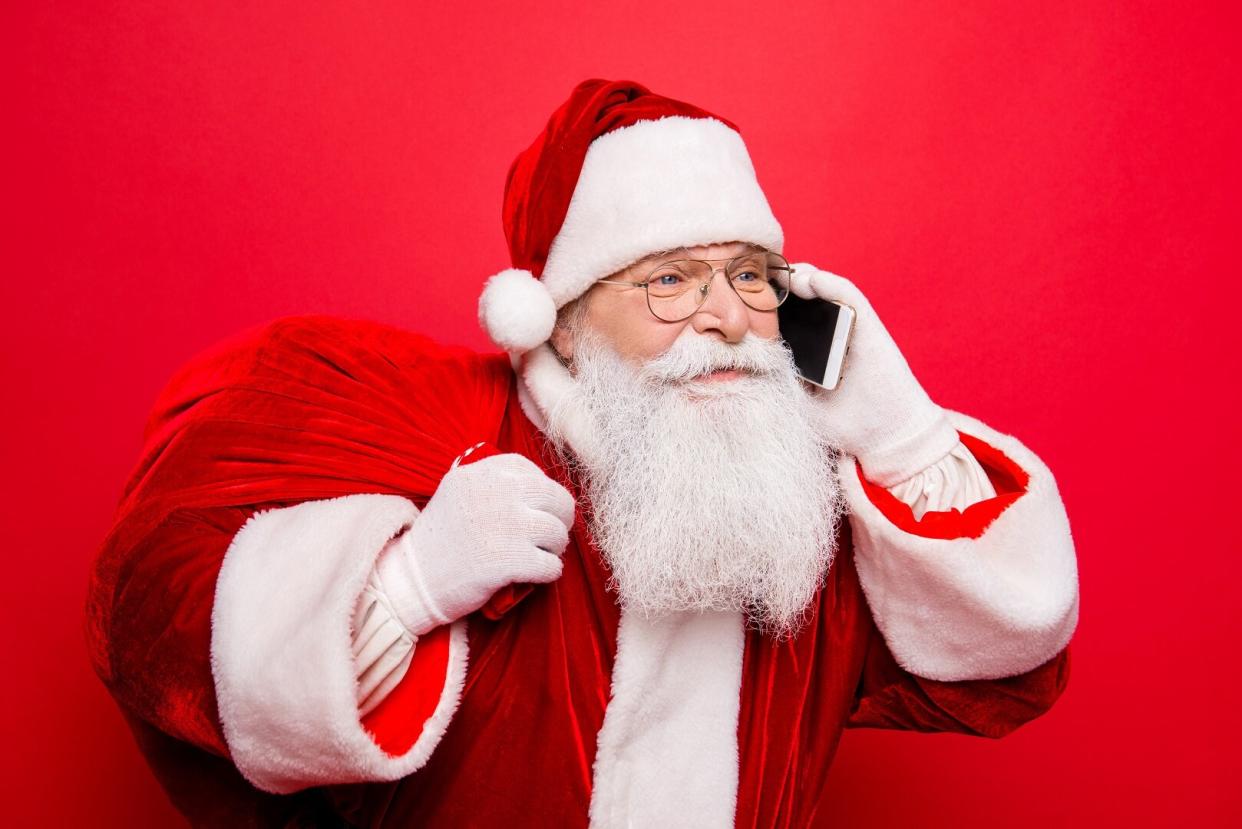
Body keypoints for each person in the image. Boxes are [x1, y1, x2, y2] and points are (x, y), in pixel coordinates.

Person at [86, 79, 1079, 827]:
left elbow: (1000, 670)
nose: (728, 315)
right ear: (559, 322)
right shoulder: (431, 422)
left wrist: (901, 437)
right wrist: (409, 585)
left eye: (752, 275)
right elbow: (153, 611)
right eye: (670, 279)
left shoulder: (796, 500)